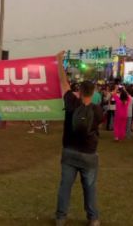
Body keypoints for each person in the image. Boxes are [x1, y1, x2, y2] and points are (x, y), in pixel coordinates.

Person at [56, 51, 103, 226]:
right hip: (89, 154)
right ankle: (93, 218)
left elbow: (63, 83)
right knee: (90, 188)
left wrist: (59, 61)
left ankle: (61, 217)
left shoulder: (71, 102)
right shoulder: (98, 110)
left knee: (65, 187)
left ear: (79, 91)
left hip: (69, 151)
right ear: (94, 91)